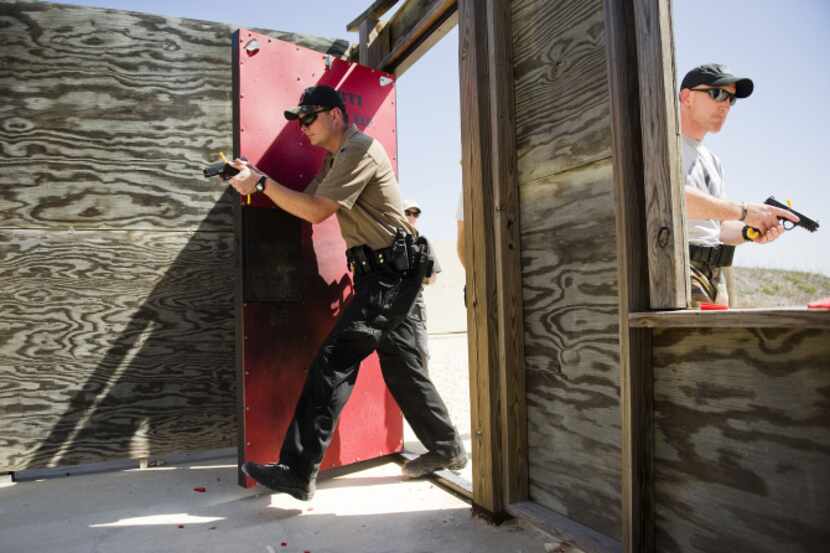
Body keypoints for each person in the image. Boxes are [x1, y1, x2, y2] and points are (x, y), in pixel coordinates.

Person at [224, 86, 466, 501]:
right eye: (299, 120)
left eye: (308, 117)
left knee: (333, 362)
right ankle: (446, 447)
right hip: (389, 273)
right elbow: (306, 203)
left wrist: (261, 184)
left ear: (335, 115)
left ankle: (297, 471)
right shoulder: (336, 159)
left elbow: (318, 211)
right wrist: (253, 178)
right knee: (403, 369)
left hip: (392, 273)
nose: (302, 128)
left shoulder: (360, 150)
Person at [679, 63, 798, 306]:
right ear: (686, 97)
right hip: (679, 269)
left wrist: (751, 230)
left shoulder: (713, 161)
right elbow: (672, 199)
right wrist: (744, 212)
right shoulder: (661, 141)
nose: (725, 105)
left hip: (714, 275)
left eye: (731, 99)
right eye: (717, 93)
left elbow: (718, 229)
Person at [402, 199, 440, 369]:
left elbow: (433, 277)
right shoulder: (389, 240)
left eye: (415, 213)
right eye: (407, 212)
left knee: (422, 351)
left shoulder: (423, 243)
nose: (411, 217)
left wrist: (420, 276)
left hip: (415, 304)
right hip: (391, 301)